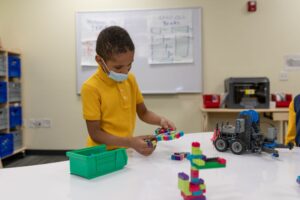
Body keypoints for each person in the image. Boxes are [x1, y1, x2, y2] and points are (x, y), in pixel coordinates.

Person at [81, 26, 176, 156]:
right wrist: (131, 142)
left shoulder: (130, 79)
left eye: (129, 64)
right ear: (99, 60)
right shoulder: (91, 88)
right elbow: (95, 134)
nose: (125, 71)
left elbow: (143, 112)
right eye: (118, 67)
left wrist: (160, 120)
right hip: (101, 154)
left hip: (124, 150)